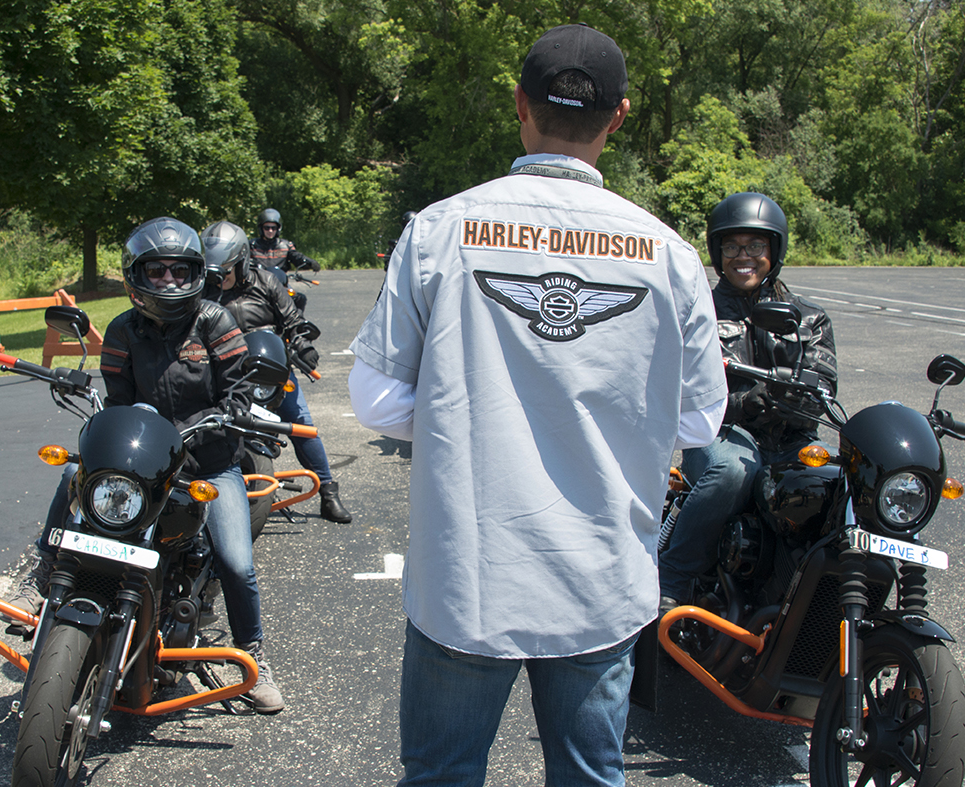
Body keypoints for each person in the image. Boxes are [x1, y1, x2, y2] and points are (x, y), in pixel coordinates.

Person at [347, 24, 727, 786]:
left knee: (442, 774)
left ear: (519, 104)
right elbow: (697, 423)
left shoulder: (439, 230)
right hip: (599, 578)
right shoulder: (669, 255)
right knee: (590, 774)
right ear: (617, 119)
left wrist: (467, 415)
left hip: (468, 575)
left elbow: (379, 399)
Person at [5, 217, 286, 713]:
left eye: (180, 270)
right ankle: (42, 575)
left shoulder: (214, 321)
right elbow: (116, 399)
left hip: (208, 462)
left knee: (237, 564)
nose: (170, 281)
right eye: (156, 271)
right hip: (147, 464)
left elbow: (241, 379)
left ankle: (253, 655)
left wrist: (240, 407)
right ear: (136, 274)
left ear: (198, 272)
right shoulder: (121, 330)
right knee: (74, 473)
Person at [657, 192, 839, 610]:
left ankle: (814, 592)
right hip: (721, 432)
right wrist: (747, 403)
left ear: (774, 249)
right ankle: (675, 573)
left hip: (791, 437)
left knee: (834, 486)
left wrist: (794, 398)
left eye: (756, 245)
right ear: (718, 252)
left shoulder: (809, 318)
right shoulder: (699, 310)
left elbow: (824, 386)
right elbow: (680, 387)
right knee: (734, 471)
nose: (744, 256)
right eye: (732, 246)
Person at [201, 219, 353, 523]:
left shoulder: (267, 282)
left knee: (301, 422)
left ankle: (328, 492)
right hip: (226, 370)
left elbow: (293, 320)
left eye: (227, 270)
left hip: (270, 368)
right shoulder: (204, 291)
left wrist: (303, 344)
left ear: (241, 262)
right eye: (215, 271)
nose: (222, 278)